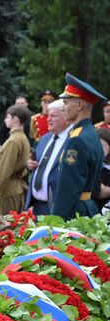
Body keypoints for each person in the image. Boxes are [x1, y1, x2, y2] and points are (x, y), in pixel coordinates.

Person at [51, 73, 107, 219]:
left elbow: (68, 189)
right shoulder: (91, 133)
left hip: (74, 213)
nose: (64, 107)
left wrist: (56, 223)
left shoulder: (78, 140)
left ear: (80, 105)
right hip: (87, 208)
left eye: (66, 103)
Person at [24, 100, 71, 215]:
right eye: (48, 116)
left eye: (53, 116)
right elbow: (36, 164)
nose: (48, 119)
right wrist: (29, 164)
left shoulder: (72, 140)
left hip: (57, 207)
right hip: (36, 205)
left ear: (66, 117)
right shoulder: (44, 138)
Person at [0, 105, 30, 214]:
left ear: (16, 119)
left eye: (8, 117)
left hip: (7, 190)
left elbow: (3, 171)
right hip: (16, 188)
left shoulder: (13, 141)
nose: (5, 119)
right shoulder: (22, 138)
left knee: (4, 228)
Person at [92, 128, 110, 211]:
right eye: (96, 145)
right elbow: (99, 192)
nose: (99, 149)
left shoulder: (107, 168)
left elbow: (102, 193)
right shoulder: (90, 164)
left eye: (103, 146)